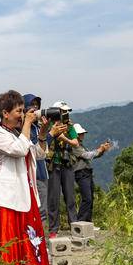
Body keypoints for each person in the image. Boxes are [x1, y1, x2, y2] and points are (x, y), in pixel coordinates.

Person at [0, 90, 65, 265]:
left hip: (26, 195)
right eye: (19, 111)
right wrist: (30, 123)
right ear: (5, 113)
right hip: (5, 199)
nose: (23, 115)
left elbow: (38, 154)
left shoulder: (17, 133)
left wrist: (42, 135)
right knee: (9, 245)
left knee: (33, 240)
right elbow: (19, 150)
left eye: (24, 111)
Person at [46, 101, 79, 239]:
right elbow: (44, 141)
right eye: (63, 111)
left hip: (67, 164)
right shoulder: (48, 125)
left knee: (70, 196)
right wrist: (53, 133)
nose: (65, 114)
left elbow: (76, 143)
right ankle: (53, 229)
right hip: (53, 165)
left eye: (66, 111)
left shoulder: (69, 126)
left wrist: (63, 137)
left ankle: (75, 225)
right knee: (53, 198)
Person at [72, 123, 112, 223]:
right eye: (81, 133)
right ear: (76, 134)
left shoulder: (81, 145)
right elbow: (87, 155)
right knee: (87, 198)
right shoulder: (75, 146)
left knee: (90, 198)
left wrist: (102, 150)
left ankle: (88, 222)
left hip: (87, 173)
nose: (83, 135)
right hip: (81, 173)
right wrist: (100, 149)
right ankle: (81, 221)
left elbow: (93, 155)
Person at [22, 93, 49, 225]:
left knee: (43, 208)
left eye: (37, 106)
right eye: (32, 106)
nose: (35, 109)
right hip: (31, 174)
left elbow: (42, 151)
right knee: (36, 211)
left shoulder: (37, 127)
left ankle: (41, 240)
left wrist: (46, 133)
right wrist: (50, 134)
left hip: (42, 172)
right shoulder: (23, 128)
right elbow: (29, 148)